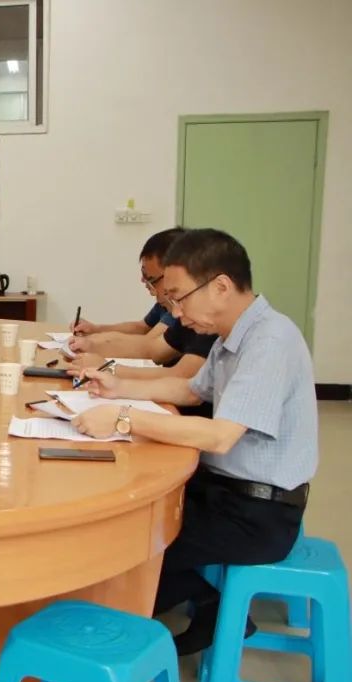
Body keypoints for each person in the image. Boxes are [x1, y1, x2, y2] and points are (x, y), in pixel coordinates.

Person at [70, 229, 315, 656]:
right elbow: (190, 391)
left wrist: (124, 418)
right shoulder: (230, 336)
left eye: (179, 297)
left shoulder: (270, 341)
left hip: (258, 514)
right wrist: (117, 387)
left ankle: (133, 636)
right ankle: (207, 607)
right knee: (128, 519)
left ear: (220, 286)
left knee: (126, 543)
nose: (177, 312)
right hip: (224, 492)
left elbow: (220, 436)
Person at [68, 228, 181, 346]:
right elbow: (142, 327)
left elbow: (147, 346)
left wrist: (93, 343)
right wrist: (96, 329)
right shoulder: (164, 304)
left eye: (150, 278)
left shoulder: (178, 310)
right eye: (143, 273)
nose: (143, 280)